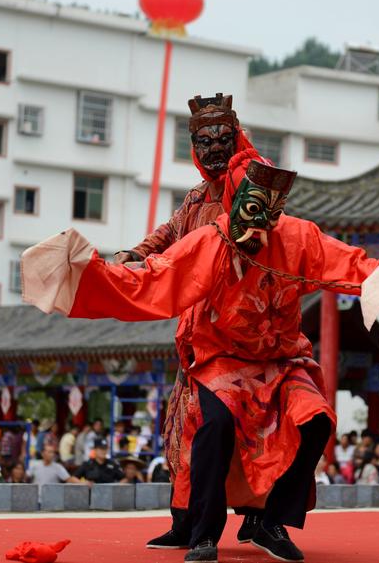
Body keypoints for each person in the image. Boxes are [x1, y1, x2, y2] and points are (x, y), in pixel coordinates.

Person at [21, 155, 379, 563]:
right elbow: (154, 281)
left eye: (268, 212)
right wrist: (91, 270)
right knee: (216, 426)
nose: (257, 222)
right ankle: (203, 532)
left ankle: (271, 522)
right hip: (219, 356)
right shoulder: (211, 240)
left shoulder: (298, 238)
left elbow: (350, 264)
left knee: (316, 419)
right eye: (250, 207)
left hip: (280, 359)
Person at [110, 94, 257, 551]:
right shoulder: (194, 199)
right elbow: (166, 235)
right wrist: (134, 255)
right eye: (203, 141)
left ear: (237, 139)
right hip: (195, 337)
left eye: (222, 139)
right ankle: (184, 521)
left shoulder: (252, 190)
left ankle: (260, 519)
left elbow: (266, 242)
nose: (214, 148)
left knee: (252, 433)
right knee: (182, 434)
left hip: (242, 334)